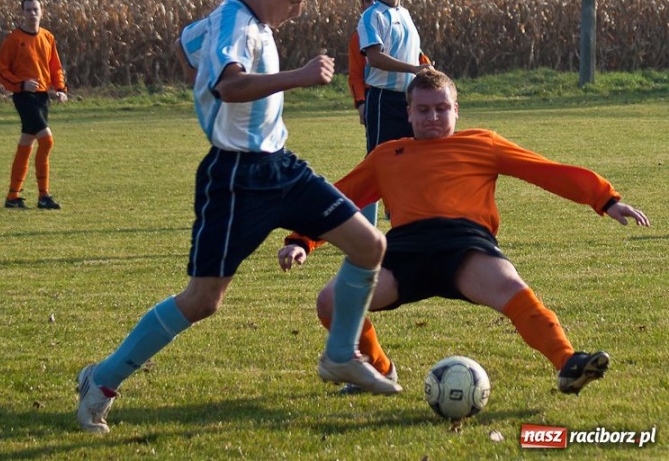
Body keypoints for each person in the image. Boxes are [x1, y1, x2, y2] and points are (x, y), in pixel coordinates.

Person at [76, 0, 400, 434]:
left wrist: (200, 83)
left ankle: (340, 355)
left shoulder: (234, 18)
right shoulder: (237, 23)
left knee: (369, 244)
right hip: (234, 179)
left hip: (280, 165)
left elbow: (186, 48)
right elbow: (229, 86)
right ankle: (100, 382)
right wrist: (300, 77)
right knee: (203, 300)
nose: (298, 11)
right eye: (295, 1)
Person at [278, 70, 650, 396]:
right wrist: (302, 240)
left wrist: (605, 199)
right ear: (408, 114)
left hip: (465, 243)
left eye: (442, 108)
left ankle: (568, 363)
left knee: (512, 289)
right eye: (423, 110)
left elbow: (545, 170)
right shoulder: (388, 155)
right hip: (404, 249)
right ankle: (377, 369)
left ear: (457, 110)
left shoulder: (482, 143)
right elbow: (340, 198)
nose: (433, 117)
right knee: (331, 301)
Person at [356, 0, 432, 225]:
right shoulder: (371, 16)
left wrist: (425, 67)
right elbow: (375, 58)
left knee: (414, 159)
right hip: (383, 100)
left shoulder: (405, 14)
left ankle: (404, 216)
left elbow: (413, 54)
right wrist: (413, 68)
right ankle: (363, 228)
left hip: (408, 101)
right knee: (378, 165)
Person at [0, 0, 69, 210]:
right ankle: (44, 195)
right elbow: (0, 71)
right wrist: (21, 84)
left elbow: (55, 67)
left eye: (35, 9)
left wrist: (60, 88)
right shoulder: (13, 39)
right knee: (46, 140)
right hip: (24, 97)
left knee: (27, 142)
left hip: (42, 97)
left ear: (41, 11)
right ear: (22, 13)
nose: (32, 14)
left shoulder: (47, 37)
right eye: (28, 10)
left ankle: (12, 197)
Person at [346, 0, 376, 121]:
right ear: (362, 7)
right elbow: (355, 75)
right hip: (372, 94)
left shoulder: (399, 28)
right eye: (368, 0)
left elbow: (419, 57)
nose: (373, 3)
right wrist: (361, 102)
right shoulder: (358, 38)